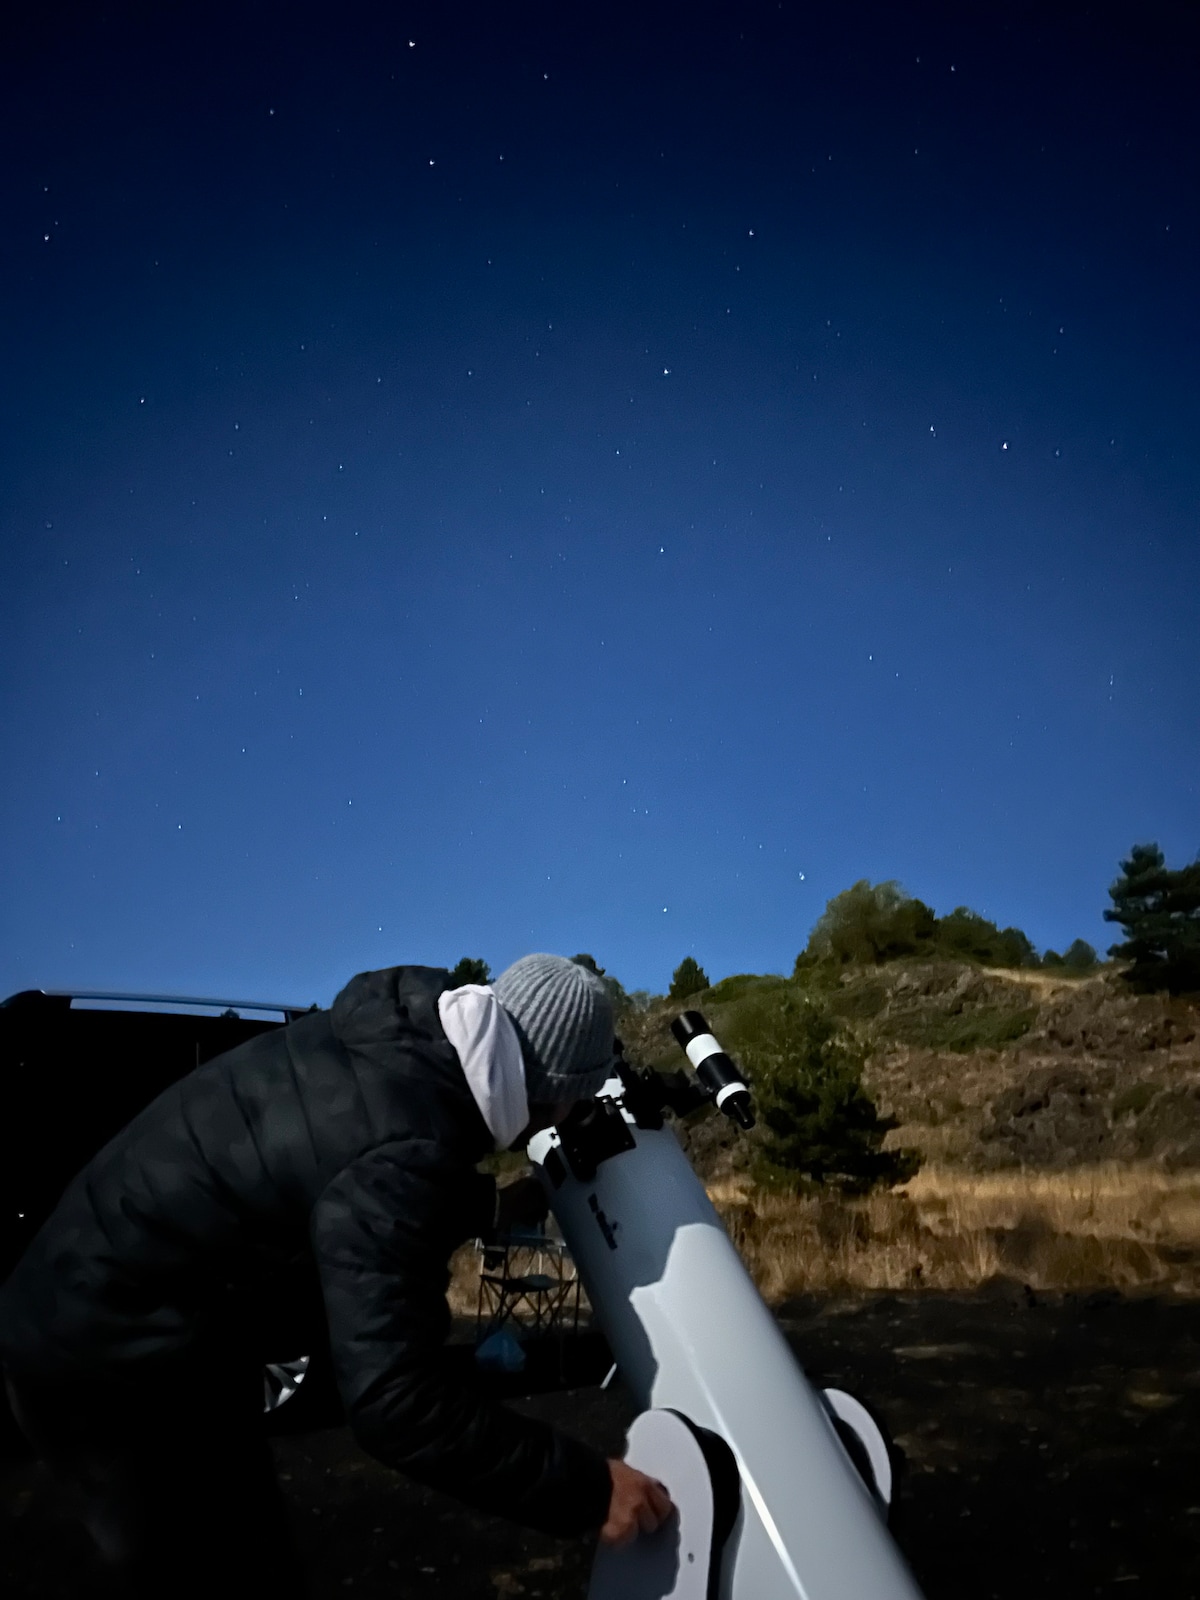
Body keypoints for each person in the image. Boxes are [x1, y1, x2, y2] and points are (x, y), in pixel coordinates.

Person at [0, 953, 672, 1596]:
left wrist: (492, 1204)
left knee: (250, 1552)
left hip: (111, 1307)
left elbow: (337, 1154)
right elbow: (397, 1402)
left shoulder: (393, 1031)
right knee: (215, 1574)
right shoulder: (403, 1153)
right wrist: (589, 1487)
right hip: (105, 1367)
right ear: (548, 1093)